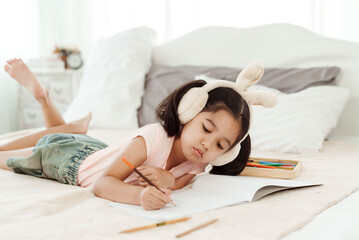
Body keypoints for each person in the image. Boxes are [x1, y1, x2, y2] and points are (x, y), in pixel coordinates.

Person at [0, 58, 276, 211]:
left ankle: (69, 127)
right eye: (206, 128)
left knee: (59, 138)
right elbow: (103, 184)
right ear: (188, 112)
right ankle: (44, 98)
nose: (208, 144)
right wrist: (139, 198)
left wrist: (170, 179)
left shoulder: (200, 161)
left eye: (221, 144)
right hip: (68, 164)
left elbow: (178, 182)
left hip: (94, 151)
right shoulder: (154, 137)